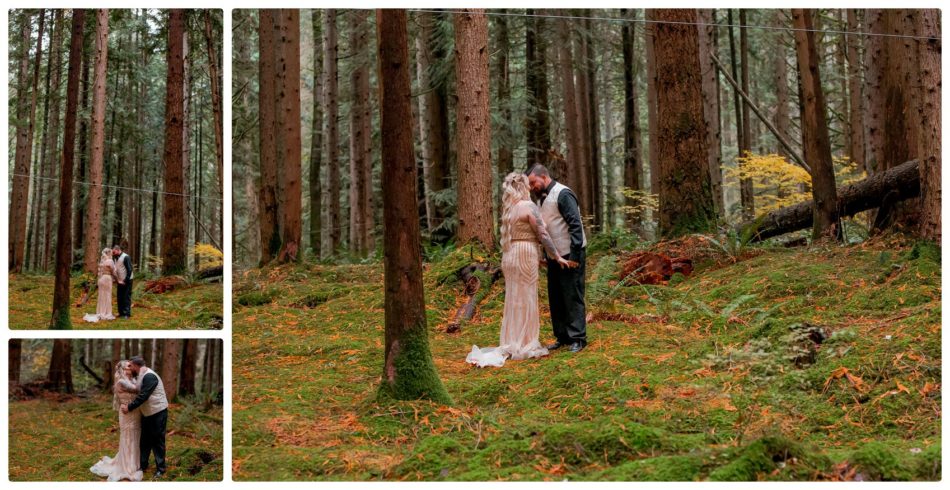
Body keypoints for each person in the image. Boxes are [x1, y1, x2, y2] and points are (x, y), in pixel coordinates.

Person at [466, 173, 576, 368]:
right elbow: (542, 233)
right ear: (523, 187)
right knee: (527, 297)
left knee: (514, 298)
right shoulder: (529, 206)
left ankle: (513, 339)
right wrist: (556, 256)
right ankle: (525, 343)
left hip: (510, 254)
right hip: (525, 253)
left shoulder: (509, 210)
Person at [526, 164, 589, 353]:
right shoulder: (539, 200)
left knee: (572, 295)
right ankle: (561, 336)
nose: (531, 187)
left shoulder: (563, 194)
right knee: (556, 296)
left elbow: (575, 225)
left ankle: (578, 338)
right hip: (555, 256)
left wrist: (576, 255)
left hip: (571, 253)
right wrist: (546, 255)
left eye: (533, 182)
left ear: (543, 176)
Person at [90, 360, 144, 481]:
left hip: (135, 412)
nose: (131, 368)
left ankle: (134, 462)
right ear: (123, 369)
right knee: (128, 437)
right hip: (126, 413)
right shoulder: (121, 382)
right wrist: (143, 373)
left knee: (135, 436)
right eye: (128, 367)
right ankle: (127, 465)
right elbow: (138, 389)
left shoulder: (131, 380)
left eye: (131, 367)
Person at [122, 356, 169, 479]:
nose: (129, 368)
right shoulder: (141, 376)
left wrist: (129, 407)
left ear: (136, 366)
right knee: (145, 440)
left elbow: (143, 396)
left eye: (130, 365)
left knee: (157, 440)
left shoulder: (149, 376)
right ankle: (143, 465)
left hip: (158, 412)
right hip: (147, 413)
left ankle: (161, 469)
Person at [83, 248, 118, 322]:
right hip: (107, 278)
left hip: (101, 279)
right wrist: (117, 278)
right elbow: (113, 272)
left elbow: (100, 272)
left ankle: (100, 311)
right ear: (109, 253)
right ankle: (106, 312)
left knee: (101, 295)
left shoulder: (102, 262)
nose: (112, 254)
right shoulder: (110, 261)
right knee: (107, 295)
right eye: (111, 253)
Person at [112, 245, 133, 318]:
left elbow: (130, 269)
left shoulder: (126, 257)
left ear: (118, 250)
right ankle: (120, 312)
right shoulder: (115, 257)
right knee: (119, 297)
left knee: (126, 297)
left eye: (114, 252)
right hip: (120, 280)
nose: (113, 254)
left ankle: (127, 314)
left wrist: (126, 280)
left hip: (127, 280)